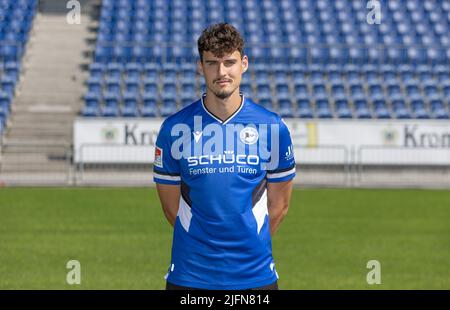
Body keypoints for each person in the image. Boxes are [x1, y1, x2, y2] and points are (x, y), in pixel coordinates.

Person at [153, 23, 296, 290]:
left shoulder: (273, 128)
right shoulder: (174, 129)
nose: (222, 72)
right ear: (200, 67)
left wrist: (246, 245)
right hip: (190, 277)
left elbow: (279, 208)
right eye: (212, 63)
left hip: (255, 277)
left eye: (229, 62)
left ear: (244, 64)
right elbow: (171, 209)